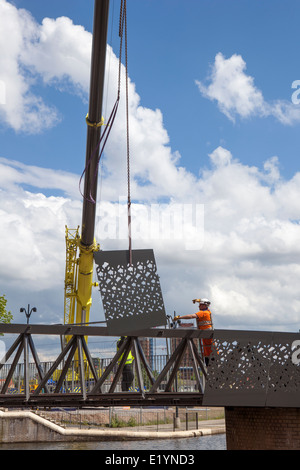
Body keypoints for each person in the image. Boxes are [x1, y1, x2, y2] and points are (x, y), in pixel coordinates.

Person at [174, 298, 213, 366]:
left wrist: (179, 317)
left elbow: (191, 316)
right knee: (208, 358)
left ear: (204, 305)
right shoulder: (208, 311)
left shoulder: (203, 313)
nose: (198, 306)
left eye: (200, 305)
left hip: (207, 341)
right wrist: (198, 300)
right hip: (207, 340)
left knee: (210, 363)